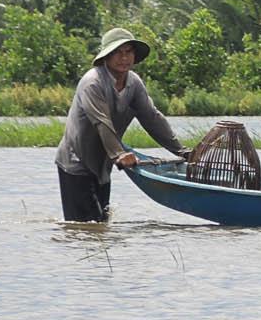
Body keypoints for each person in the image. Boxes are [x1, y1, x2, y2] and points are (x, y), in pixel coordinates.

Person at [54, 27, 190, 222]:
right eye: (117, 52)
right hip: (76, 162)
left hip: (103, 163)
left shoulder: (133, 83)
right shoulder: (93, 83)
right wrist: (120, 154)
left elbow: (152, 118)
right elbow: (102, 122)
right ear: (106, 56)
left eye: (128, 52)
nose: (124, 58)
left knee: (100, 225)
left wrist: (182, 151)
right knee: (84, 224)